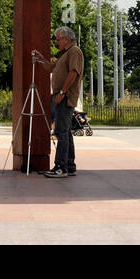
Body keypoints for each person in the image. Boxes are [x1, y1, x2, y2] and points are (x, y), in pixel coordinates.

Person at [44, 25, 84, 179]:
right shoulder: (65, 53)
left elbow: (73, 72)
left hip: (65, 97)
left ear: (67, 39)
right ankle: (70, 165)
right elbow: (51, 68)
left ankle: (61, 166)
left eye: (58, 39)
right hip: (61, 96)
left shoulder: (74, 51)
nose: (56, 42)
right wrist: (41, 58)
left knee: (61, 131)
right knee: (65, 131)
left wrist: (62, 92)